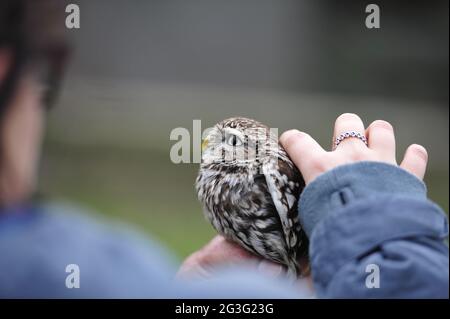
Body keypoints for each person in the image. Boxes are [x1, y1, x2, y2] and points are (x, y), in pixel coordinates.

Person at [0, 0, 448, 298]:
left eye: (229, 144)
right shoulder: (100, 270)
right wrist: (384, 243)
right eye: (52, 64)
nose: (213, 149)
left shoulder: (88, 268)